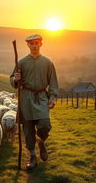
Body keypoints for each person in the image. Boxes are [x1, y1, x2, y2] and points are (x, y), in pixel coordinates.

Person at [10, 34, 59, 170]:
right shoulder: (21, 62)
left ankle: (41, 141)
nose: (34, 46)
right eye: (31, 43)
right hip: (26, 97)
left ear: (41, 44)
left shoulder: (48, 62)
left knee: (45, 124)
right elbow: (12, 80)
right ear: (28, 45)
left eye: (36, 43)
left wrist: (52, 97)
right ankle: (32, 157)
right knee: (28, 129)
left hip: (42, 97)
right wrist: (16, 78)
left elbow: (53, 83)